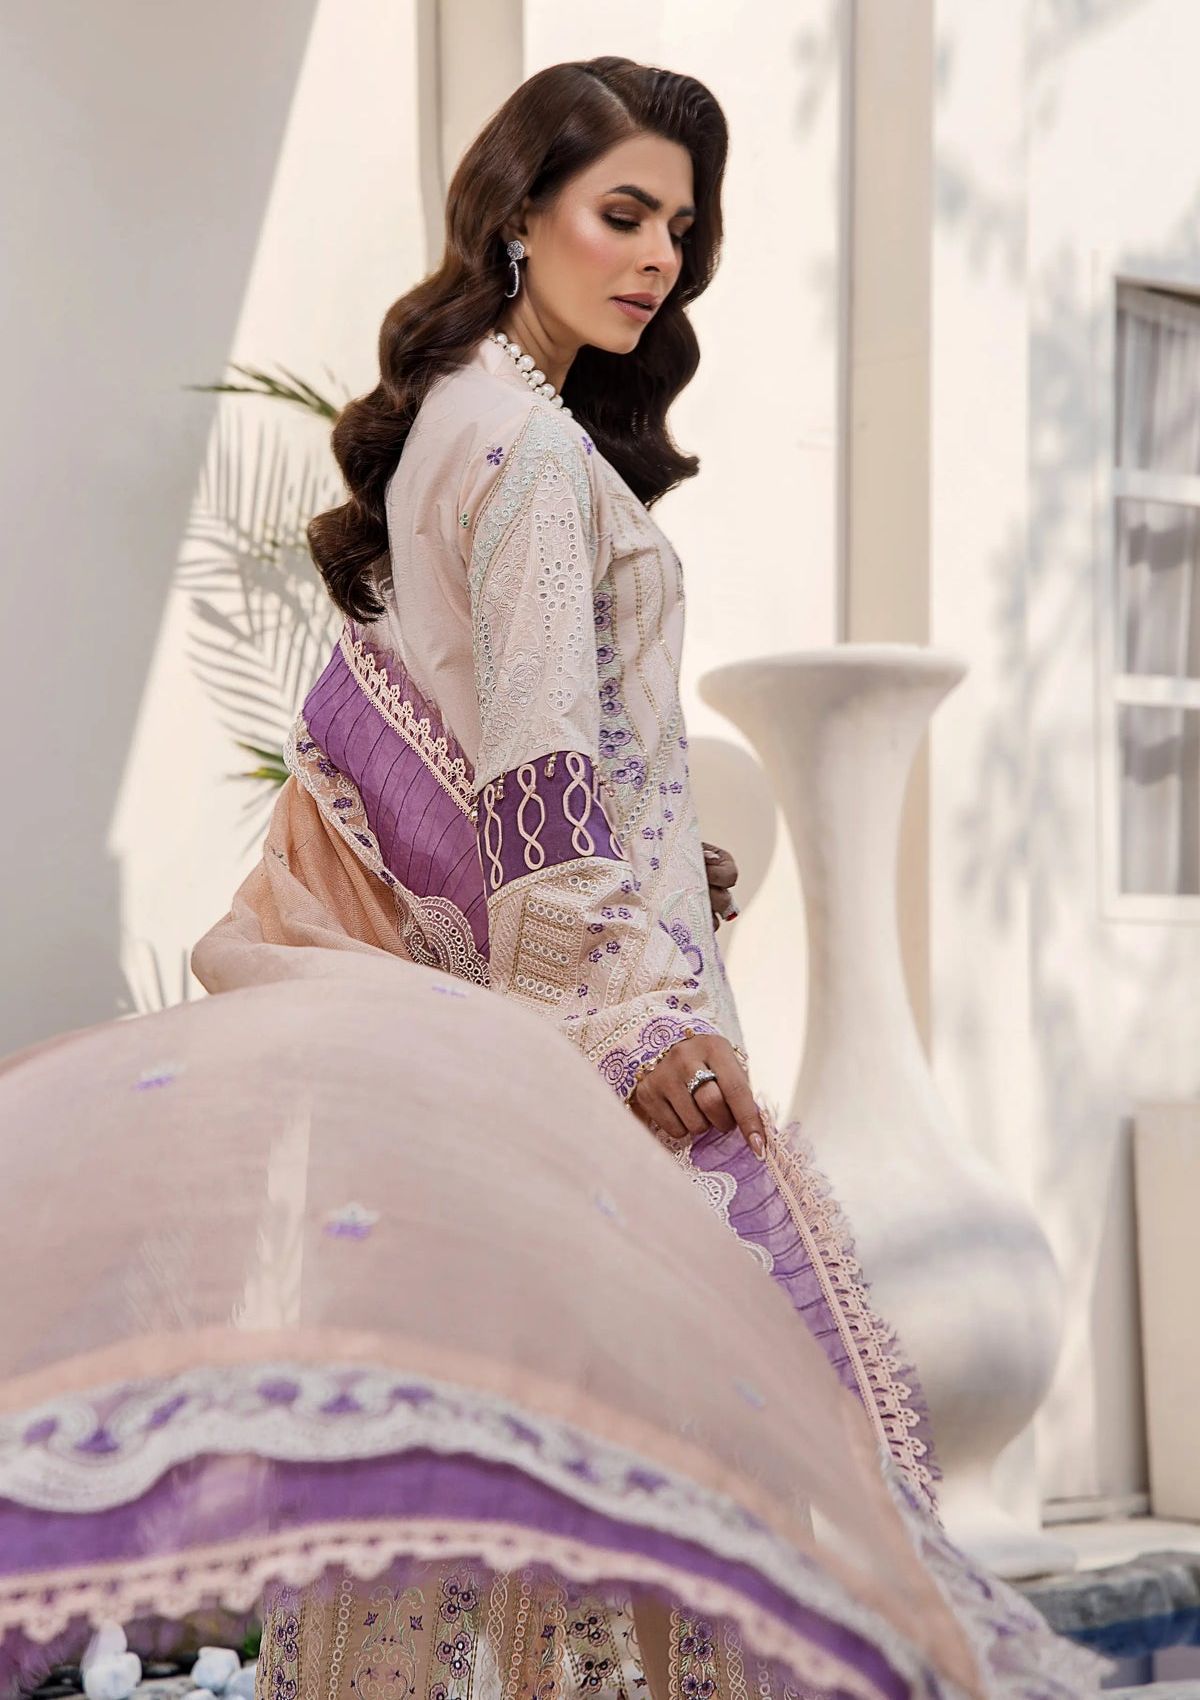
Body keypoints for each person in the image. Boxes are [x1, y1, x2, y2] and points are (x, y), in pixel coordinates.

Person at [0, 54, 1103, 1700]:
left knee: (496, 1515)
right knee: (665, 1483)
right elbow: (528, 777)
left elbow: (486, 749)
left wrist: (665, 845)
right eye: (623, 213)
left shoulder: (465, 416)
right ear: (521, 216)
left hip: (519, 1011)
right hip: (577, 1026)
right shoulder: (523, 448)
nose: (658, 257)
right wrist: (631, 1020)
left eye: (681, 226)